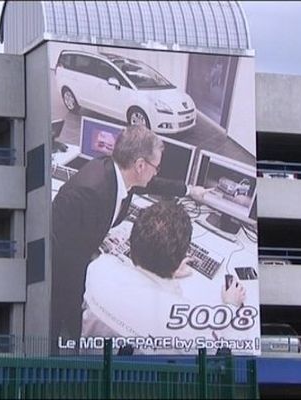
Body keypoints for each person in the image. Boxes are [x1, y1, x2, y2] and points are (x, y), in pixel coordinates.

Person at [51, 125, 208, 351]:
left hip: (82, 249)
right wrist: (155, 269)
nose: (157, 172)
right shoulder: (87, 193)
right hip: (64, 274)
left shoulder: (122, 174)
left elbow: (152, 184)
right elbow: (66, 255)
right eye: (157, 166)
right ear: (140, 165)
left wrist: (189, 190)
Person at [80, 201, 246, 355]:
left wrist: (169, 270)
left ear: (132, 243)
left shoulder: (100, 268)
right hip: (144, 385)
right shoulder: (186, 321)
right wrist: (230, 306)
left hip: (90, 370)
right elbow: (214, 349)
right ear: (180, 258)